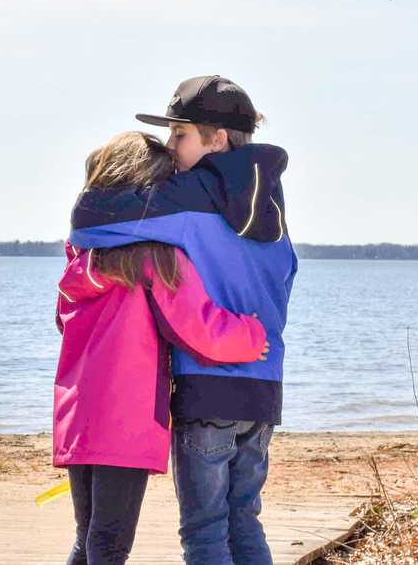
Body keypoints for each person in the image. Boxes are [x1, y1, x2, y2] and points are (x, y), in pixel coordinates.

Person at [68, 76, 297, 565]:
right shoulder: (274, 210)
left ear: (218, 138)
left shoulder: (188, 201)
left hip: (207, 386)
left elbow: (87, 220)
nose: (170, 147)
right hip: (264, 388)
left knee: (205, 531)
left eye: (180, 134)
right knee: (244, 522)